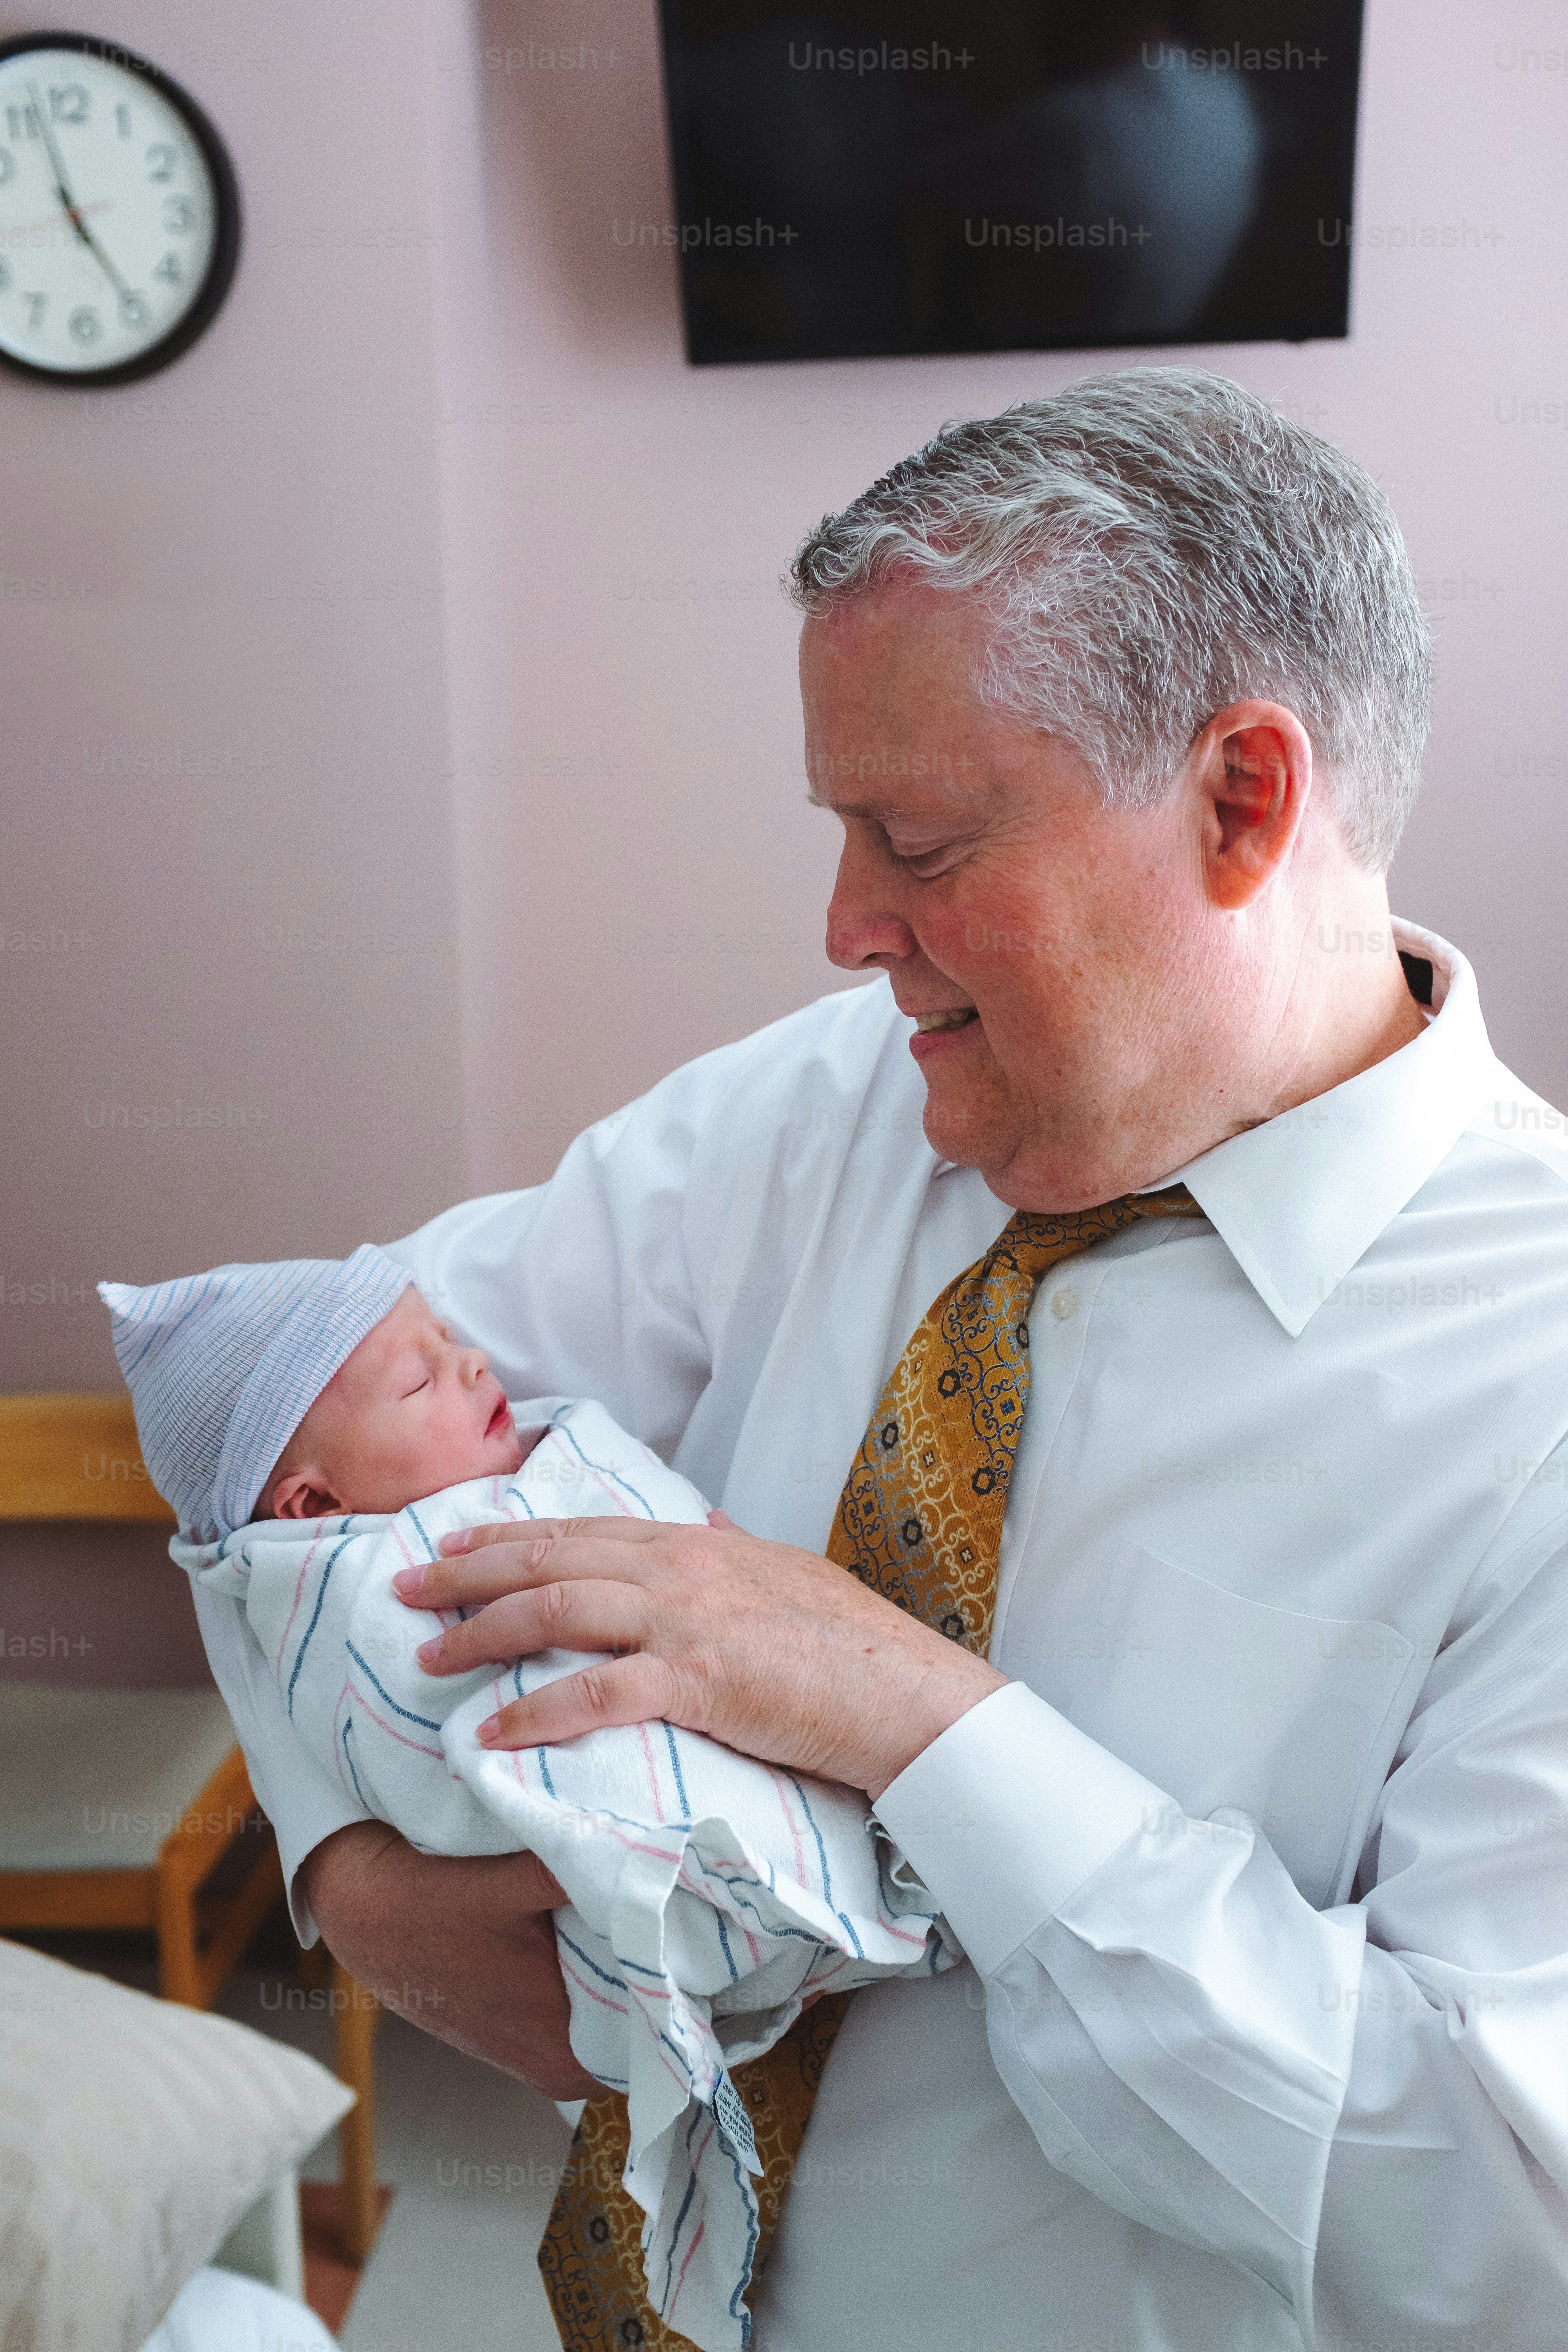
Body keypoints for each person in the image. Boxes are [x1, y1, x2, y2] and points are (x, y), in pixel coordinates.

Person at [190, 367, 1568, 2350]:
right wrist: (340, 1864)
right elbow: (291, 1406)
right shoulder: (822, 1107)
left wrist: (930, 1733)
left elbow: (1495, 2230)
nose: (845, 926)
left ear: (1242, 800)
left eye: (916, 842)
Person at [101, 1256, 954, 2351]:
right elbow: (267, 1581)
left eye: (451, 1341)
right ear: (314, 1509)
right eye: (422, 1384)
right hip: (636, 1932)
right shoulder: (367, 1583)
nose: (470, 1360)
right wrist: (361, 1879)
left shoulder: (492, 1433)